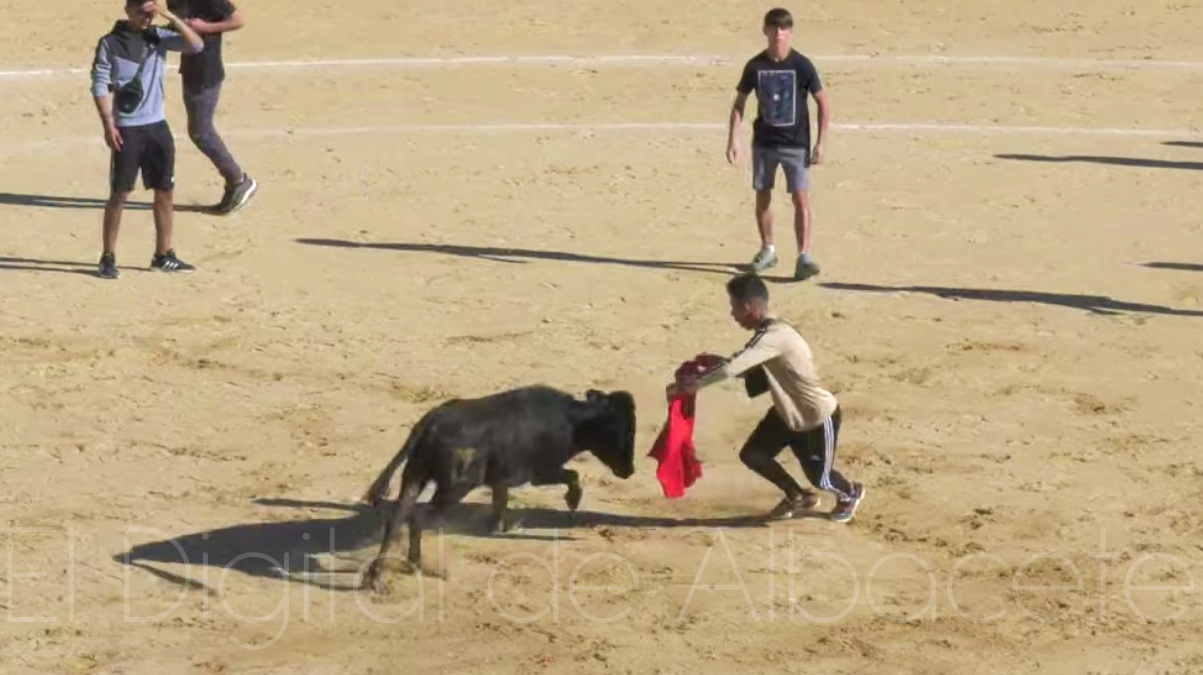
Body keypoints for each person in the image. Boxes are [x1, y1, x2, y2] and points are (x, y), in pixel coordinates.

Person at [668, 273, 865, 522]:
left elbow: (732, 369)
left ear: (748, 307)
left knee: (821, 478)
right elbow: (753, 373)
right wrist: (714, 363)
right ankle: (797, 495)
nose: (733, 314)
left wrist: (693, 384)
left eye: (734, 307)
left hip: (816, 416)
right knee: (754, 454)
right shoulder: (770, 334)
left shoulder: (773, 336)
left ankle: (850, 493)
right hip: (786, 413)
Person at [91, 0, 204, 279]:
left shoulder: (159, 36)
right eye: (141, 11)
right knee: (120, 194)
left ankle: (163, 254)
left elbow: (196, 45)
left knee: (165, 190)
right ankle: (107, 256)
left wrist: (169, 16)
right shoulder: (110, 43)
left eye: (150, 12)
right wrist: (109, 124)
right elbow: (99, 84)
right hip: (127, 129)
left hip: (157, 127)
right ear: (128, 10)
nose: (146, 17)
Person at [726, 7, 831, 281]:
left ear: (790, 32)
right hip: (764, 142)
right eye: (774, 29)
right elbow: (739, 103)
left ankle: (803, 256)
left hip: (796, 143)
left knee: (800, 198)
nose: (778, 34)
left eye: (783, 29)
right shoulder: (755, 66)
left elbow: (823, 103)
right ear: (766, 31)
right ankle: (768, 249)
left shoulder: (802, 65)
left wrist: (820, 143)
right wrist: (733, 139)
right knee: (763, 195)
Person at [167, 0, 257, 214]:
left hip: (206, 72)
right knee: (199, 130)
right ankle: (236, 181)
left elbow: (237, 20)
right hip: (191, 68)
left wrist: (205, 28)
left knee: (201, 132)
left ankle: (238, 180)